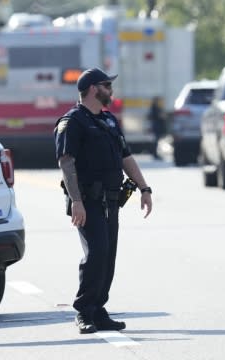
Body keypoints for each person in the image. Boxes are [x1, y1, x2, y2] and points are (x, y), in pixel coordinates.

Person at [53, 68, 153, 334]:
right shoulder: (72, 121)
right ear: (94, 89)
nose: (112, 90)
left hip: (111, 201)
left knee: (107, 256)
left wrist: (144, 188)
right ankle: (84, 311)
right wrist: (76, 201)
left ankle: (98, 309)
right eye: (107, 85)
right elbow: (66, 162)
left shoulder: (108, 121)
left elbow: (126, 157)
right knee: (96, 253)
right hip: (87, 201)